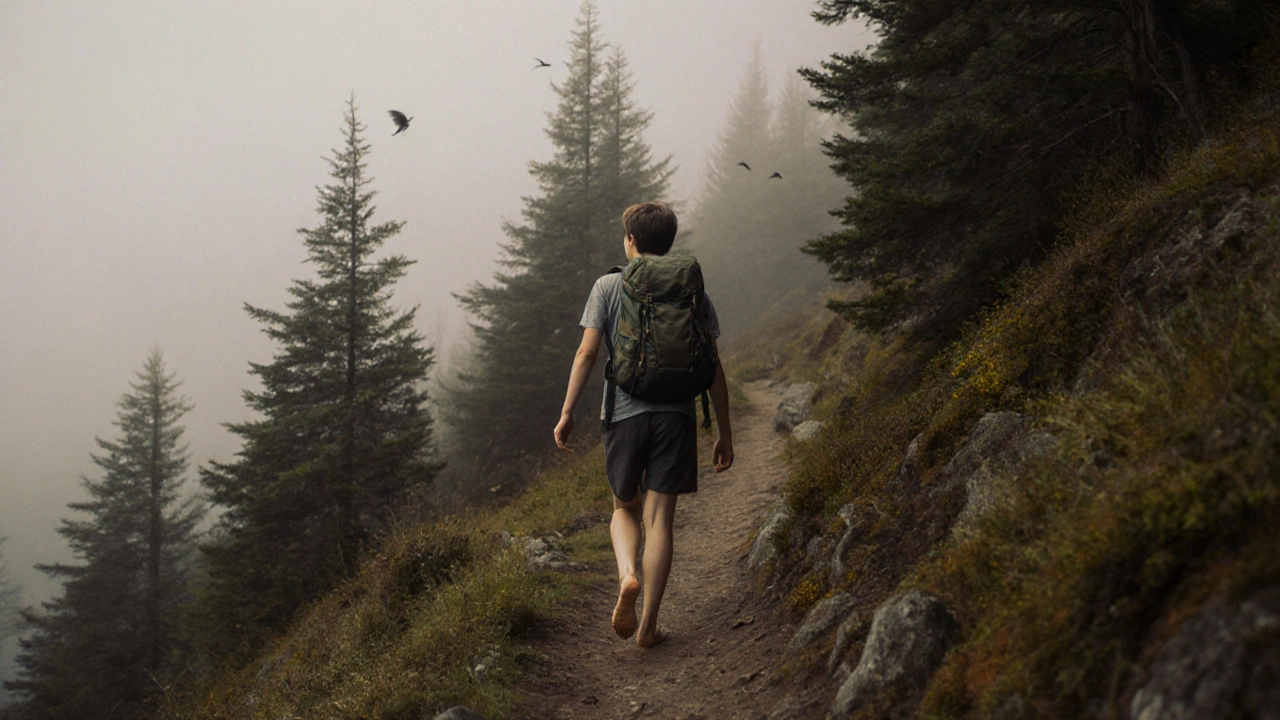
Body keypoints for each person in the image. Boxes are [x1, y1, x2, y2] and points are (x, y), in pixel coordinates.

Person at [553, 201, 734, 649]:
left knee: (624, 509)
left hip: (623, 415)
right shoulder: (693, 291)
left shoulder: (608, 286)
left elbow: (587, 353)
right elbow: (714, 368)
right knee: (661, 521)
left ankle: (627, 574)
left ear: (631, 240)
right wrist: (725, 434)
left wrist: (568, 411)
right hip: (676, 415)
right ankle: (649, 626)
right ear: (668, 242)